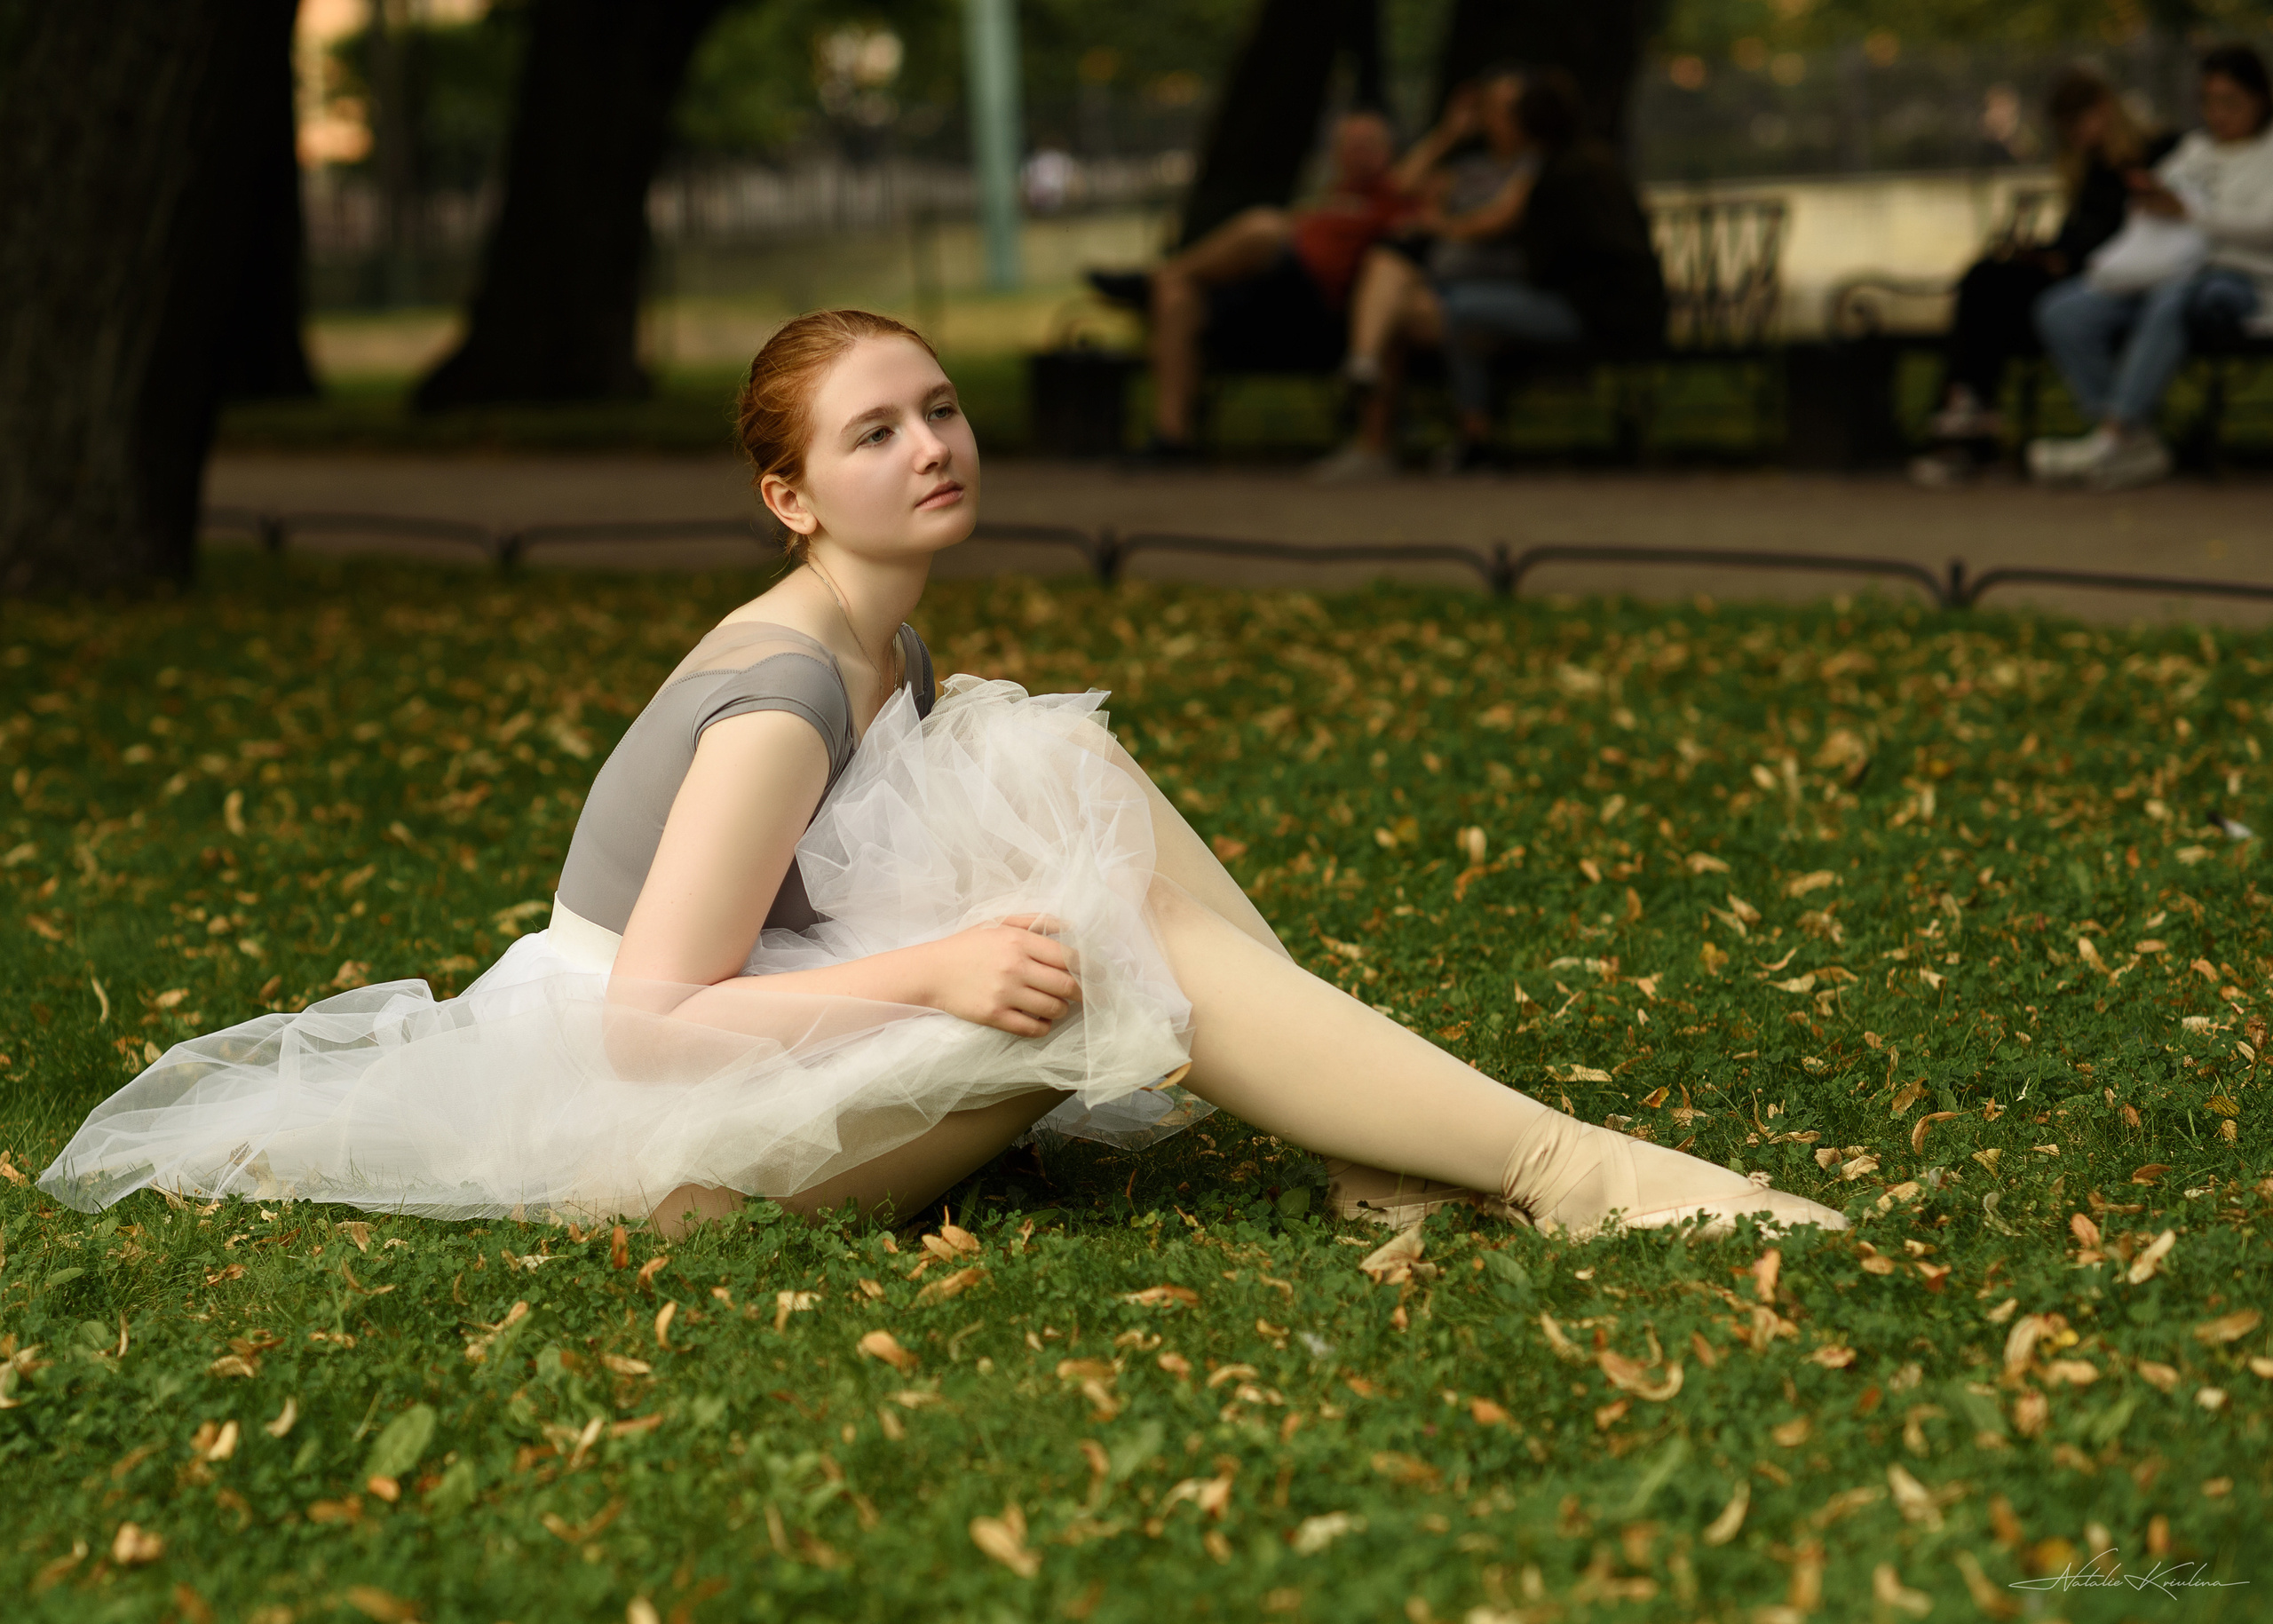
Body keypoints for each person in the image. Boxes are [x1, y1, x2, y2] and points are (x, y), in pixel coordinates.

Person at [39, 309, 1845, 1245]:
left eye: (940, 410)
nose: (930, 446)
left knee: (1061, 775)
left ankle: (1412, 1143)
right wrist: (931, 974)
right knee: (1092, 942)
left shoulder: (882, 640)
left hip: (724, 1030)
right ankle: (1555, 1164)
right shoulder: (777, 689)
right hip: (651, 1127)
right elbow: (653, 1019)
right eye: (874, 432)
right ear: (789, 494)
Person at [1316, 71, 1666, 479]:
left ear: (1526, 122)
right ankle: (1462, 438)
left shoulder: (1550, 173)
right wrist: (1448, 135)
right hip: (1593, 304)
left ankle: (1436, 433)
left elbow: (1513, 234)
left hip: (1594, 312)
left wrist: (1438, 228)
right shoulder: (1578, 162)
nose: (1492, 121)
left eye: (1502, 113)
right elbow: (1404, 188)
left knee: (1453, 311)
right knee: (1439, 309)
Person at [1087, 111, 1415, 463]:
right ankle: (1172, 439)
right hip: (1265, 299)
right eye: (1351, 146)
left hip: (1318, 307)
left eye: (1370, 146)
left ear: (1389, 153)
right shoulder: (1328, 199)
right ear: (1336, 154)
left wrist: (1448, 135)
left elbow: (1417, 185)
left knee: (1263, 227)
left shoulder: (1398, 196)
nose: (1360, 155)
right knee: (1178, 296)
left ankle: (1154, 278)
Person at [1911, 67, 2174, 487]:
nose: (2072, 136)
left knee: (2002, 293)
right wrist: (2047, 253)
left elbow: (2137, 231)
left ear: (2104, 109)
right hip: (2084, 274)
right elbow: (2079, 234)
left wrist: (2065, 257)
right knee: (1987, 283)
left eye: (2077, 123)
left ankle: (1973, 414)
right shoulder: (2088, 165)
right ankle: (1969, 409)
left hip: (2126, 277)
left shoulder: (2153, 152)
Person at [2028, 44, 2273, 491]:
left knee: (2174, 297)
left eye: (2229, 102)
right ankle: (2133, 440)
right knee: (2063, 310)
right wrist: (2149, 197)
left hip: (2244, 281)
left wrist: (2191, 216)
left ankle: (2115, 434)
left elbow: (2265, 228)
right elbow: (2161, 204)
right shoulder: (2196, 150)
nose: (2217, 114)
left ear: (2259, 99)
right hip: (2168, 272)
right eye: (2208, 101)